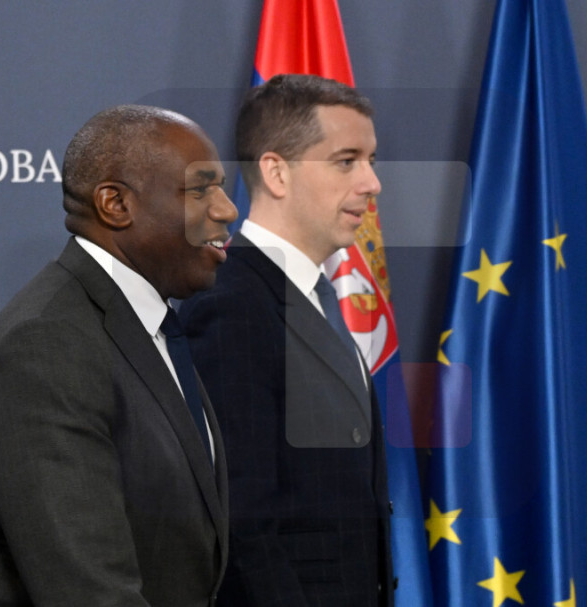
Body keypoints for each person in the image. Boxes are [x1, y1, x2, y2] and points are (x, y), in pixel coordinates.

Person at [0, 105, 237, 607]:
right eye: (200, 191)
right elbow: (88, 592)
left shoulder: (144, 326)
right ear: (115, 204)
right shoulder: (46, 344)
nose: (227, 210)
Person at [179, 74, 394, 606]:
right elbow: (242, 522)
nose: (372, 183)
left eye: (370, 160)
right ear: (276, 171)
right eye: (346, 161)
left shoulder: (316, 297)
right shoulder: (230, 306)